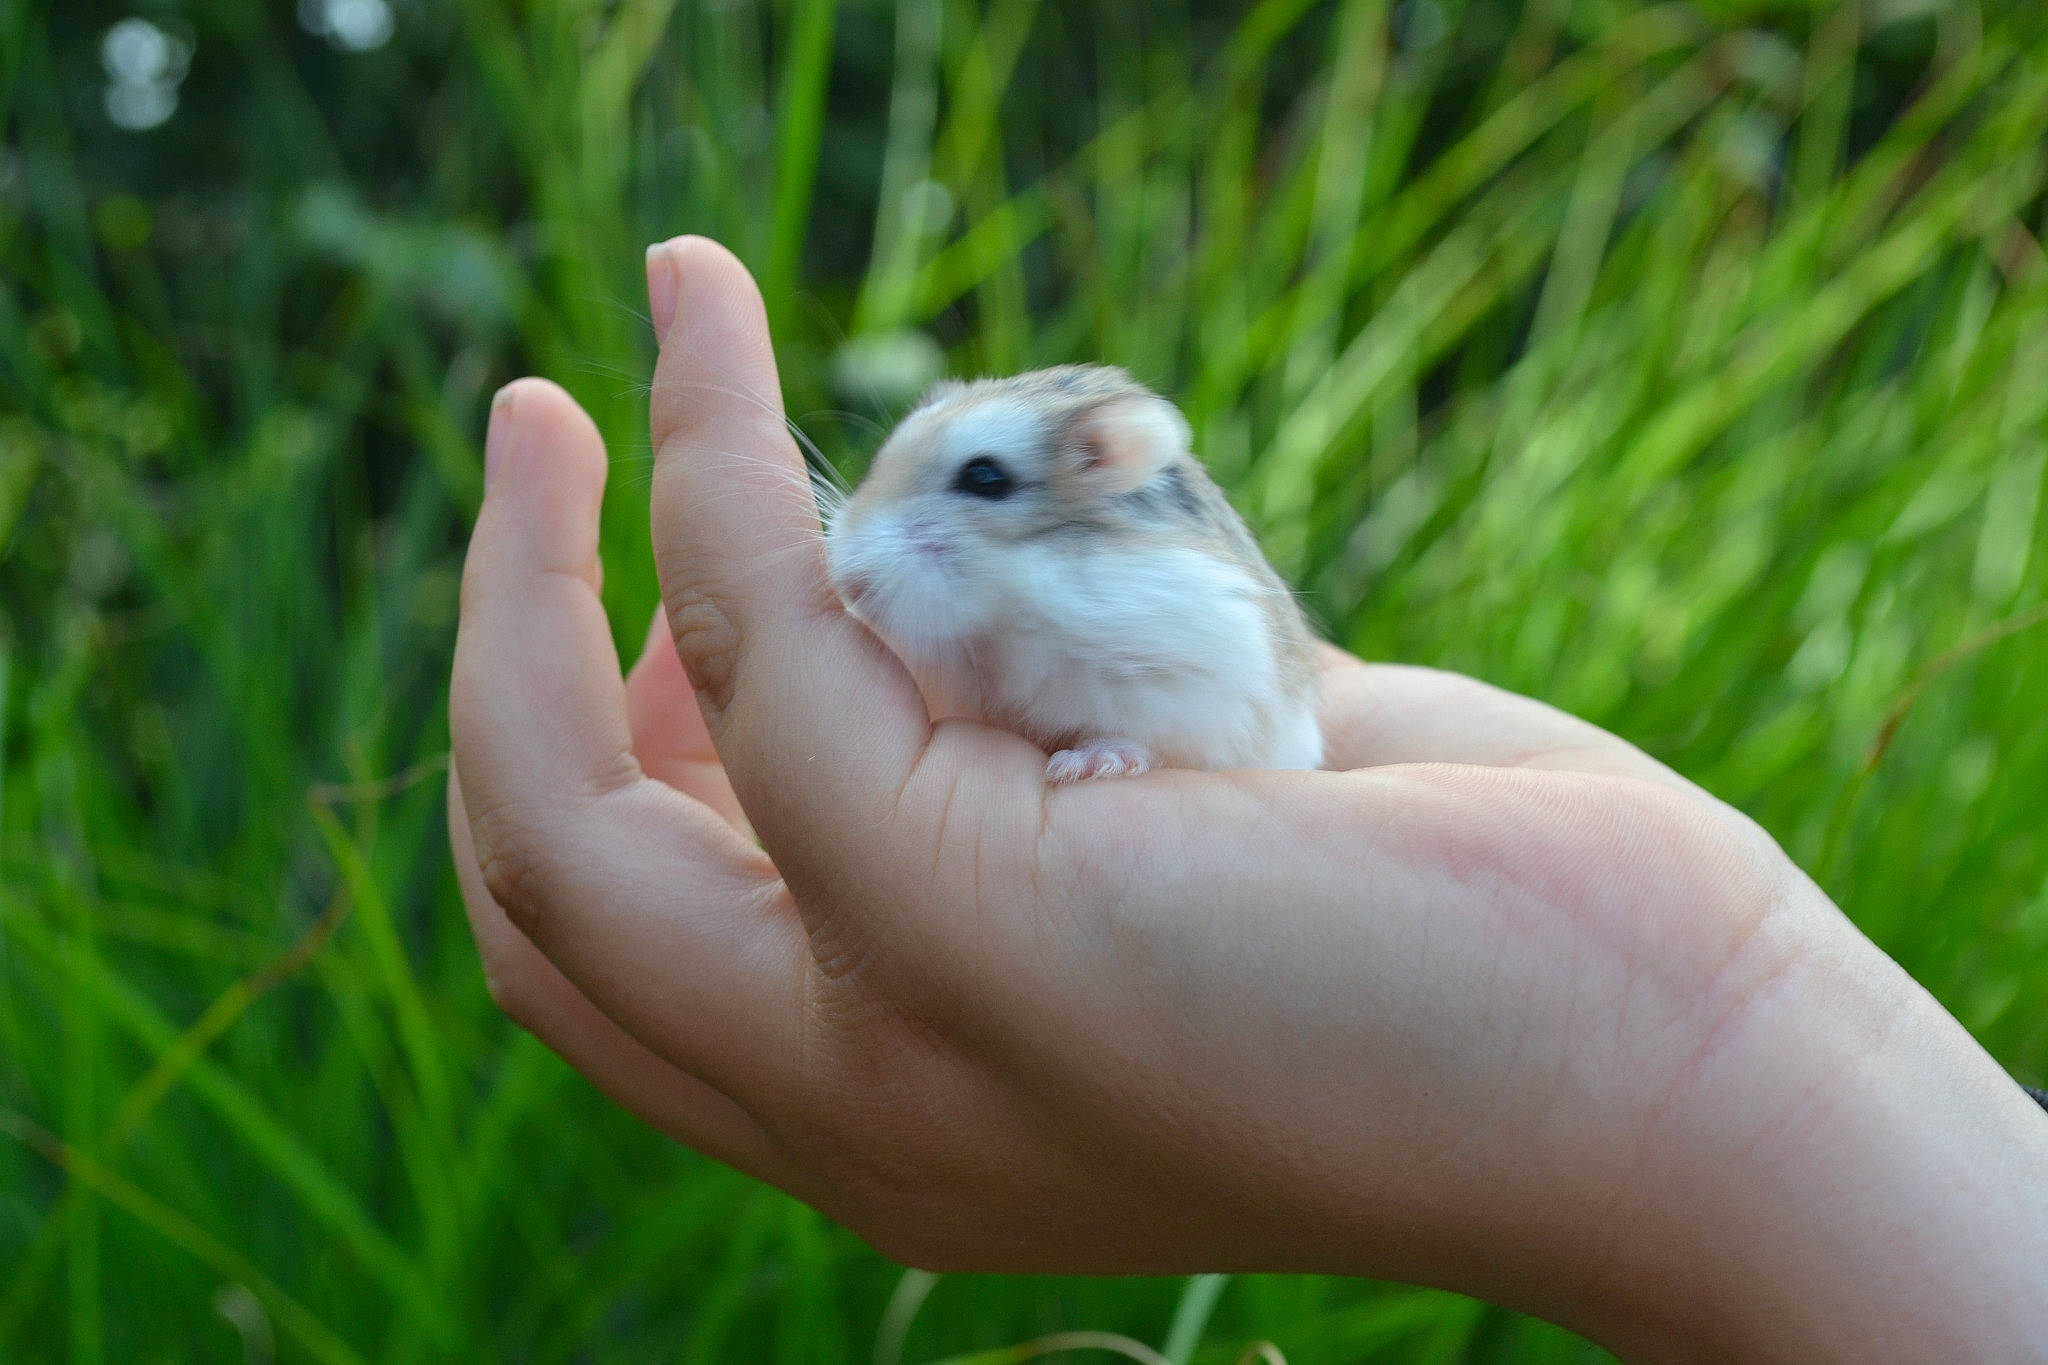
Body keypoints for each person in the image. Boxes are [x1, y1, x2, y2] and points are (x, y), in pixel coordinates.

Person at [446, 236, 2048, 1360]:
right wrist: (1711, 1058)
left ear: (1107, 475)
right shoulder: (977, 563)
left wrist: (1684, 1052)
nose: (867, 544)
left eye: (975, 489)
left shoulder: (1171, 591)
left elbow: (1238, 700)